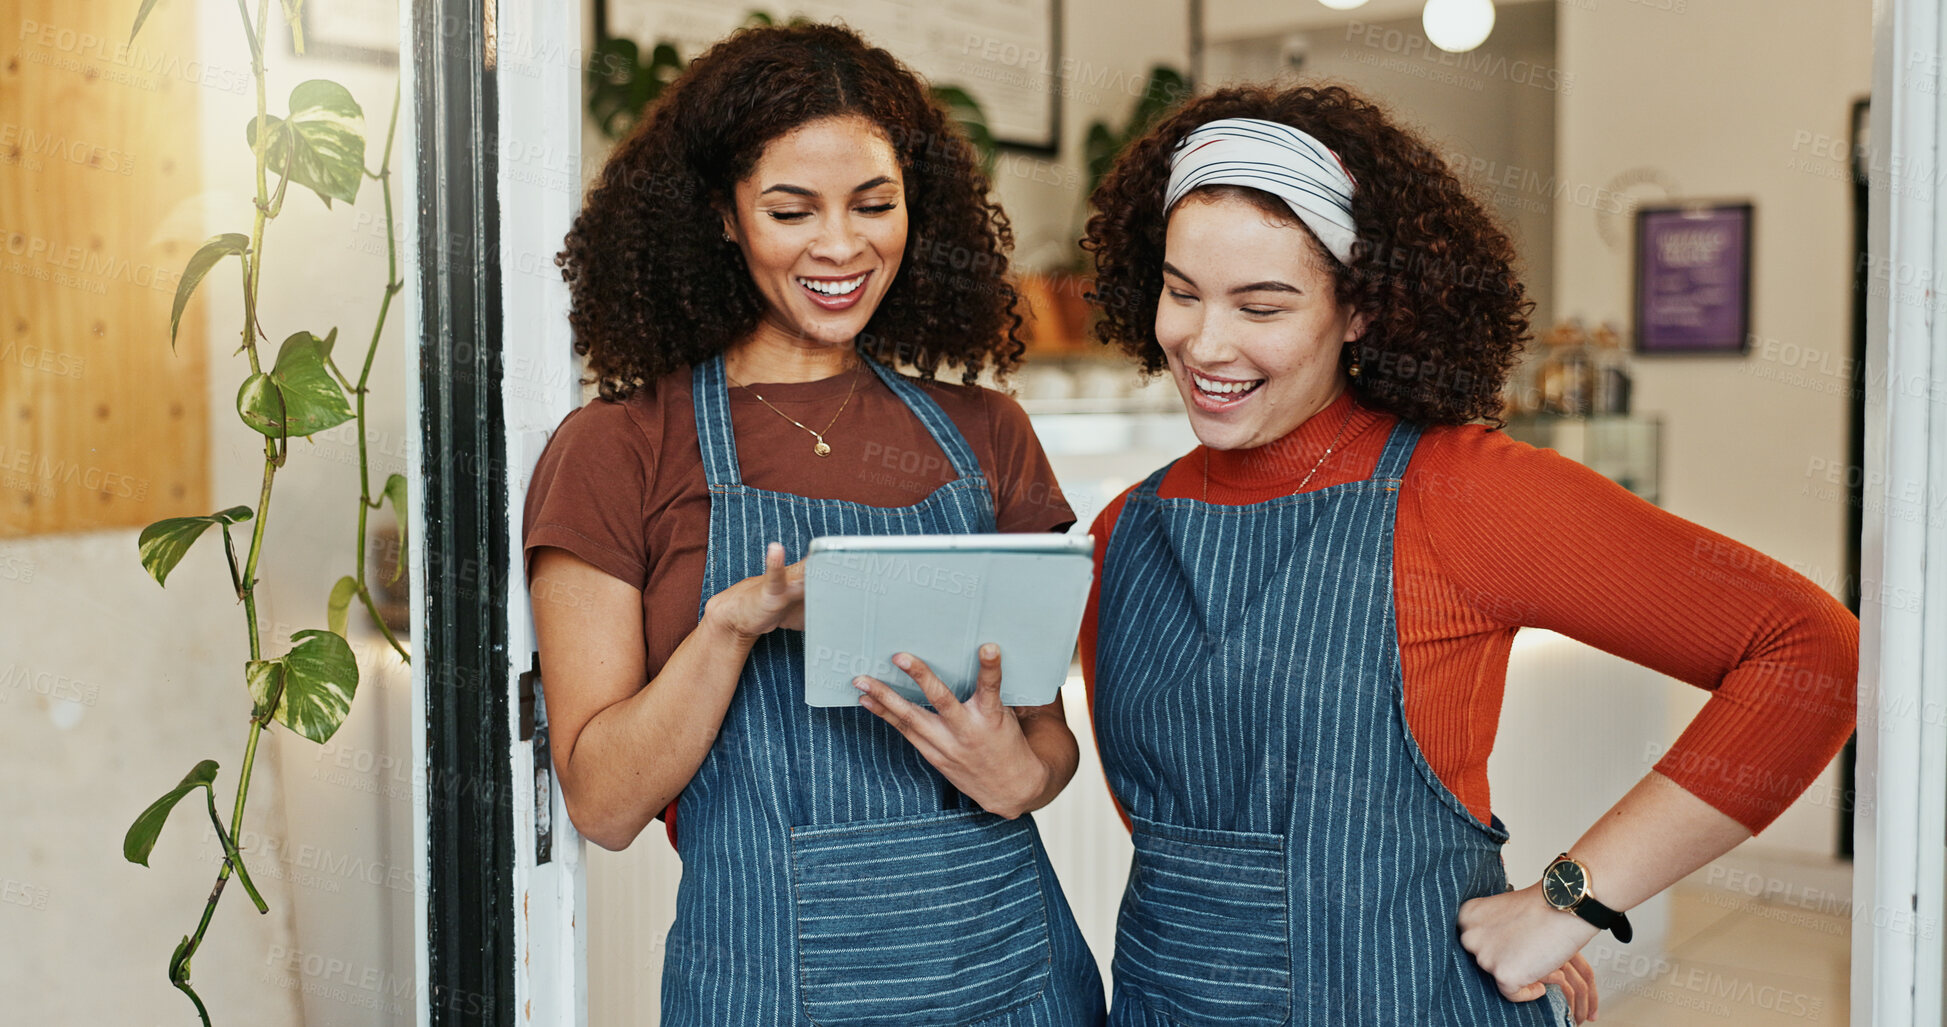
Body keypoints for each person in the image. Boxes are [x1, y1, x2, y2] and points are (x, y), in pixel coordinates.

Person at [1077, 83, 1857, 1026]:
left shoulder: (1461, 492)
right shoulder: (1125, 528)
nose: (1204, 342)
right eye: (1182, 292)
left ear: (1358, 309)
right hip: (1167, 1002)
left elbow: (1807, 651)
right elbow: (1186, 831)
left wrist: (1569, 899)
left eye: (1262, 304)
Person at [524, 23, 1106, 1026]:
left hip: (1013, 975)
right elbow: (602, 802)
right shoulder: (621, 448)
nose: (842, 246)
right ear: (722, 216)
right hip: (767, 984)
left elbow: (1047, 742)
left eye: (875, 205)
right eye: (791, 210)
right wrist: (730, 626)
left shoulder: (987, 435)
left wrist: (1021, 772)